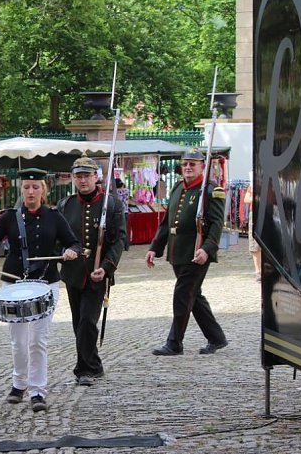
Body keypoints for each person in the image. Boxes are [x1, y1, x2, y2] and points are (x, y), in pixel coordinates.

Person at [0, 168, 80, 411]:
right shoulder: (10, 217)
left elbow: (74, 241)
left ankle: (37, 391)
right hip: (14, 284)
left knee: (38, 340)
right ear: (21, 190)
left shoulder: (54, 217)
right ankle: (18, 384)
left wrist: (70, 251)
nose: (31, 191)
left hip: (46, 283)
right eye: (26, 187)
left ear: (43, 190)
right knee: (18, 340)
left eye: (35, 187)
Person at [145, 148, 227, 356]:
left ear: (202, 166)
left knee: (182, 295)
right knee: (193, 296)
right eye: (185, 164)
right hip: (178, 251)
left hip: (197, 253)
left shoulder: (211, 190)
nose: (188, 167)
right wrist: (155, 247)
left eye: (193, 163)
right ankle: (216, 338)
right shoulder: (178, 187)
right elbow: (167, 222)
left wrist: (207, 250)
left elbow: (217, 224)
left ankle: (174, 343)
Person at [57, 155, 127, 386]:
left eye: (87, 175)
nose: (83, 180)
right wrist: (63, 251)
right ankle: (94, 364)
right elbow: (59, 237)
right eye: (78, 176)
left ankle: (84, 369)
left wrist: (107, 267)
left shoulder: (112, 204)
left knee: (88, 320)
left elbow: (119, 241)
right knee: (79, 321)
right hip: (73, 272)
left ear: (96, 177)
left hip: (97, 273)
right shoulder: (65, 205)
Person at [244, 183, 262, 281]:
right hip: (255, 214)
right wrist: (257, 196)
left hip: (268, 212)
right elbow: (246, 199)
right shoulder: (252, 185)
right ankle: (258, 271)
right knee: (255, 244)